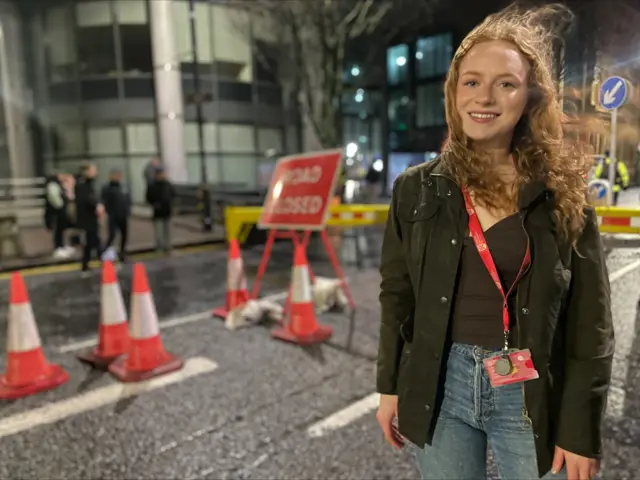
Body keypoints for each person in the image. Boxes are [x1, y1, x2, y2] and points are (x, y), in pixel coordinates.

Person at [376, 4, 614, 480]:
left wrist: (579, 427)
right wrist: (389, 387)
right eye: (471, 81)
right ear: (453, 91)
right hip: (441, 383)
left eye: (505, 83)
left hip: (531, 392)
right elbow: (396, 295)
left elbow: (592, 321)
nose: (484, 96)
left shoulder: (562, 193)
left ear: (529, 98)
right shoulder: (416, 188)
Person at [75, 163, 104, 274]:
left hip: (90, 217)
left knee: (92, 242)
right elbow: (87, 200)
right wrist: (97, 205)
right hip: (87, 218)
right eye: (93, 170)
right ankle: (101, 262)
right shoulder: (82, 185)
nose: (96, 173)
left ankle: (86, 265)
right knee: (93, 241)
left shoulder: (88, 184)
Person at [101, 168, 131, 262]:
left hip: (123, 215)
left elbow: (128, 199)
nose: (118, 177)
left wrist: (128, 209)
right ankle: (105, 253)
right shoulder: (107, 187)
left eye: (119, 175)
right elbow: (103, 200)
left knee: (124, 235)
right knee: (112, 235)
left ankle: (122, 253)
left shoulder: (123, 186)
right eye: (116, 175)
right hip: (113, 215)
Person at [44, 172, 74, 259]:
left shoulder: (57, 184)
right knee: (57, 230)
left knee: (60, 230)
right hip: (55, 213)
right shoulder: (53, 185)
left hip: (58, 213)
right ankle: (58, 248)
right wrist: (61, 206)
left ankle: (61, 246)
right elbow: (54, 198)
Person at [146, 167, 174, 253]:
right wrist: (154, 204)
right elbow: (148, 197)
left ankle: (167, 245)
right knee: (159, 231)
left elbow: (173, 194)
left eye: (164, 173)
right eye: (161, 174)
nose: (163, 175)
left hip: (167, 210)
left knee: (167, 230)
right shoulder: (152, 185)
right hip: (158, 211)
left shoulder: (168, 184)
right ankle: (159, 247)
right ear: (157, 175)